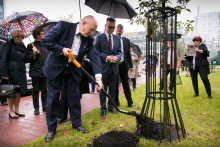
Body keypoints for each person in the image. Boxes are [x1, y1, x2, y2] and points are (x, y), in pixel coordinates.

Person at [41, 15, 103, 142]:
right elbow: (45, 41)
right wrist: (61, 49)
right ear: (83, 23)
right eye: (91, 29)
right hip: (55, 68)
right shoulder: (63, 26)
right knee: (53, 99)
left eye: (93, 31)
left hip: (72, 70)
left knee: (74, 98)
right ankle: (51, 129)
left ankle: (77, 124)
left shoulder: (88, 38)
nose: (92, 33)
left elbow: (94, 57)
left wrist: (98, 78)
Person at [94, 18, 122, 117]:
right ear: (105, 26)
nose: (111, 29)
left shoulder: (118, 39)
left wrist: (117, 58)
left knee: (113, 89)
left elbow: (120, 52)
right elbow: (95, 51)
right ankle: (103, 109)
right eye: (109, 27)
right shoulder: (99, 37)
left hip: (114, 68)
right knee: (103, 89)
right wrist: (106, 57)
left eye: (113, 27)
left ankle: (111, 107)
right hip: (103, 68)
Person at [1, 30, 27, 119]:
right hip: (11, 71)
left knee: (19, 91)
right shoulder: (8, 45)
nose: (20, 38)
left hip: (20, 70)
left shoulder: (23, 46)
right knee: (11, 91)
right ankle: (11, 111)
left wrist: (34, 53)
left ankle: (17, 109)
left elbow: (25, 58)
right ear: (14, 37)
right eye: (18, 37)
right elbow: (3, 59)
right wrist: (4, 73)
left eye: (22, 37)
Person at [26, 28, 50, 115]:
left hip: (44, 71)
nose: (44, 35)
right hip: (35, 72)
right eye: (42, 34)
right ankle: (36, 108)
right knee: (35, 91)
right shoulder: (30, 46)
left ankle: (45, 106)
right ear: (37, 36)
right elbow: (27, 59)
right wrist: (34, 53)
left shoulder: (46, 45)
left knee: (45, 90)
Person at [114, 24, 135, 108]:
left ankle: (130, 102)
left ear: (123, 30)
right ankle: (116, 102)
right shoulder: (112, 39)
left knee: (126, 84)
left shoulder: (126, 40)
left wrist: (131, 65)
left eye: (121, 28)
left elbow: (128, 54)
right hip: (114, 65)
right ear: (116, 29)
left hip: (123, 65)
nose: (119, 29)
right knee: (115, 84)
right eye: (118, 28)